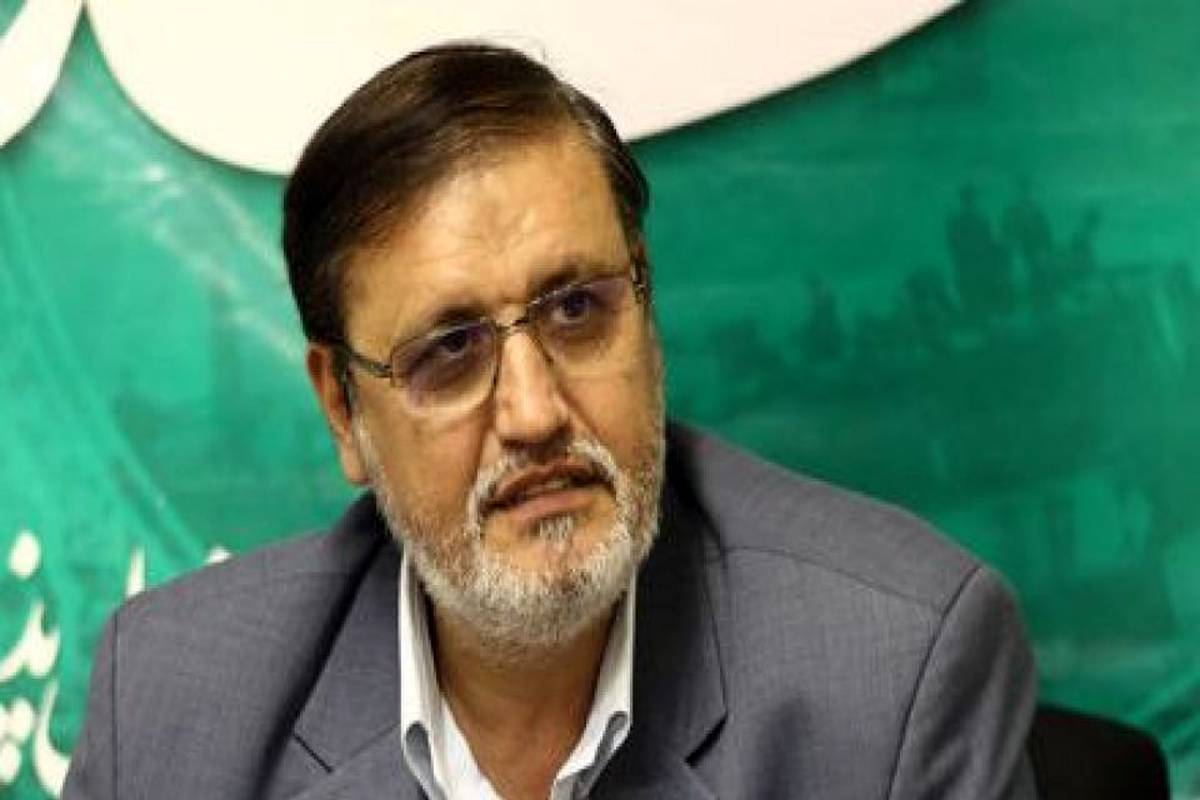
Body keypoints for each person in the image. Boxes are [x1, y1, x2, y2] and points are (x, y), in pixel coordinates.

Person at [63, 43, 1038, 799]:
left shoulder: (896, 675)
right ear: (343, 409)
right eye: (450, 349)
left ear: (646, 310)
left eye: (577, 309)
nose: (534, 412)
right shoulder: (167, 711)